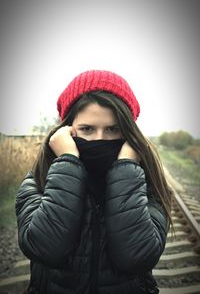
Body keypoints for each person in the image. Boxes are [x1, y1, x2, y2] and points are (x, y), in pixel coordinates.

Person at [16, 70, 172, 294]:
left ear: (128, 133)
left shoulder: (149, 184)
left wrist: (126, 167)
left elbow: (137, 258)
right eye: (87, 129)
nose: (99, 139)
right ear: (67, 130)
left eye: (112, 129)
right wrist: (68, 161)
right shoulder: (39, 180)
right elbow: (45, 249)